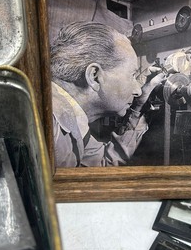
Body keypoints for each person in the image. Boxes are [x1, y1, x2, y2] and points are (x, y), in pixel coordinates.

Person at [50, 21, 165, 167]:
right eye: (132, 76)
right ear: (94, 76)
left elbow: (103, 165)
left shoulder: (73, 119)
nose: (138, 90)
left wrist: (138, 106)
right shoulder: (49, 127)